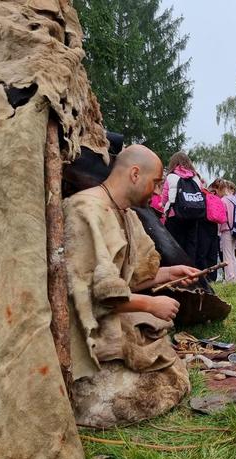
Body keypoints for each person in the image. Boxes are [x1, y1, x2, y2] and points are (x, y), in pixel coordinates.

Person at [63, 144, 199, 428]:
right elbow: (86, 294)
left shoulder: (124, 213)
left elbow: (132, 278)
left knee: (171, 375)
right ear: (135, 174)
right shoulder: (85, 210)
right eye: (156, 183)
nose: (158, 192)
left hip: (112, 320)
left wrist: (170, 272)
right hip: (86, 335)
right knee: (148, 392)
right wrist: (150, 304)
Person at [161, 151, 219, 280]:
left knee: (175, 246)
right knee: (191, 246)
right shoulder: (195, 177)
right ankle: (191, 275)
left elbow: (165, 198)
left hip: (175, 216)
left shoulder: (171, 177)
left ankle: (176, 274)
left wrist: (163, 205)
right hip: (193, 216)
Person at [210, 179, 236, 283]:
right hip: (235, 230)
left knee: (227, 255)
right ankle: (235, 278)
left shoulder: (223, 201)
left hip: (226, 229)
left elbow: (221, 217)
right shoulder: (234, 199)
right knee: (232, 255)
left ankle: (229, 279)